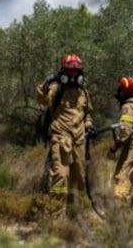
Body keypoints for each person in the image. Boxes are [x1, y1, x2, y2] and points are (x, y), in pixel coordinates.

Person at [36, 53, 94, 216]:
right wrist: (47, 82)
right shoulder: (56, 89)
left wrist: (89, 125)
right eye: (70, 72)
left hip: (79, 141)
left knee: (79, 179)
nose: (73, 75)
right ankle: (55, 216)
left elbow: (88, 113)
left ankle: (76, 216)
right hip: (60, 137)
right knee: (60, 176)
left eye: (76, 72)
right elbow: (41, 99)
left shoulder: (83, 92)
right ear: (63, 72)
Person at [107, 76, 133, 206]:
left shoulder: (128, 107)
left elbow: (125, 131)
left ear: (124, 92)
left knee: (123, 175)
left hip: (132, 147)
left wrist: (115, 146)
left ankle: (120, 205)